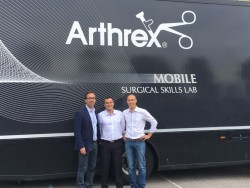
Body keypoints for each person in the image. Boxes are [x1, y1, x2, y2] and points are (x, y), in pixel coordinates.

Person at [123, 94, 157, 188]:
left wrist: (149, 135)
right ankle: (133, 186)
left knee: (141, 166)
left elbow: (154, 122)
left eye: (132, 100)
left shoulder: (142, 112)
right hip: (128, 142)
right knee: (131, 166)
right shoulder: (125, 112)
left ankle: (142, 186)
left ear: (136, 101)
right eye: (129, 100)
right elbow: (122, 124)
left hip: (140, 142)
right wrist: (123, 134)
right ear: (127, 102)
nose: (131, 102)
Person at [74, 91, 100, 188]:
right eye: (89, 98)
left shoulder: (96, 112)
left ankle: (89, 185)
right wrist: (81, 146)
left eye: (93, 98)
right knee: (82, 168)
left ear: (95, 100)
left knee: (92, 167)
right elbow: (77, 131)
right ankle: (80, 186)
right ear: (85, 100)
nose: (91, 99)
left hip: (94, 144)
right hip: (85, 145)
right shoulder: (80, 113)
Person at [98, 97, 125, 188]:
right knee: (105, 167)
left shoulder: (119, 114)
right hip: (105, 144)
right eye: (107, 103)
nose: (109, 104)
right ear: (104, 104)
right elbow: (100, 129)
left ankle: (119, 185)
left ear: (113, 103)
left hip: (117, 143)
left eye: (110, 102)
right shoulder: (100, 115)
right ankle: (104, 185)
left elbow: (122, 127)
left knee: (118, 166)